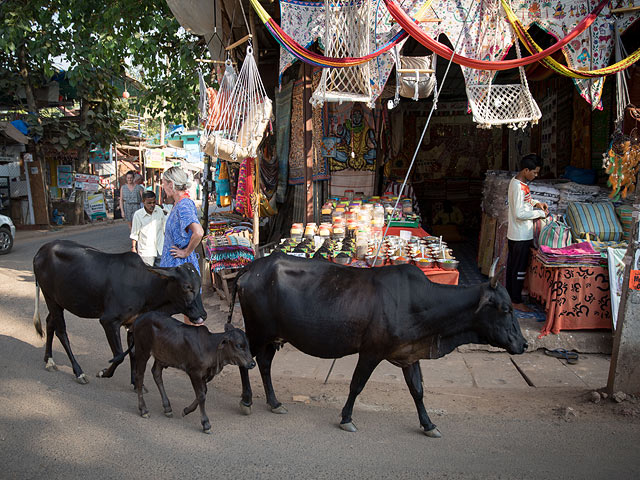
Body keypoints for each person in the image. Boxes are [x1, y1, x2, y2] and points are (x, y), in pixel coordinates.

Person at [507, 154, 549, 312]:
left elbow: (525, 201)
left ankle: (512, 297)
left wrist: (536, 203)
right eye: (535, 172)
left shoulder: (518, 182)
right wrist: (539, 214)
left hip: (516, 233)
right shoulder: (518, 187)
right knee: (518, 269)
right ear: (526, 170)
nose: (536, 175)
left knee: (513, 267)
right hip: (521, 235)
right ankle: (516, 300)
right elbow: (519, 213)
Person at [159, 166, 204, 276]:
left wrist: (186, 252)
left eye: (164, 183)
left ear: (171, 184)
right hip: (174, 266)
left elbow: (198, 232)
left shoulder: (183, 205)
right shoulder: (178, 204)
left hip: (179, 269)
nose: (162, 187)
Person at [130, 191, 165, 267]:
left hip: (160, 249)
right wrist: (133, 248)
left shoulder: (159, 211)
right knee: (148, 275)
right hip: (146, 252)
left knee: (161, 275)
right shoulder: (138, 215)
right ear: (143, 202)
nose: (152, 205)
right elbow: (134, 233)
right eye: (149, 203)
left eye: (154, 202)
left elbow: (164, 229)